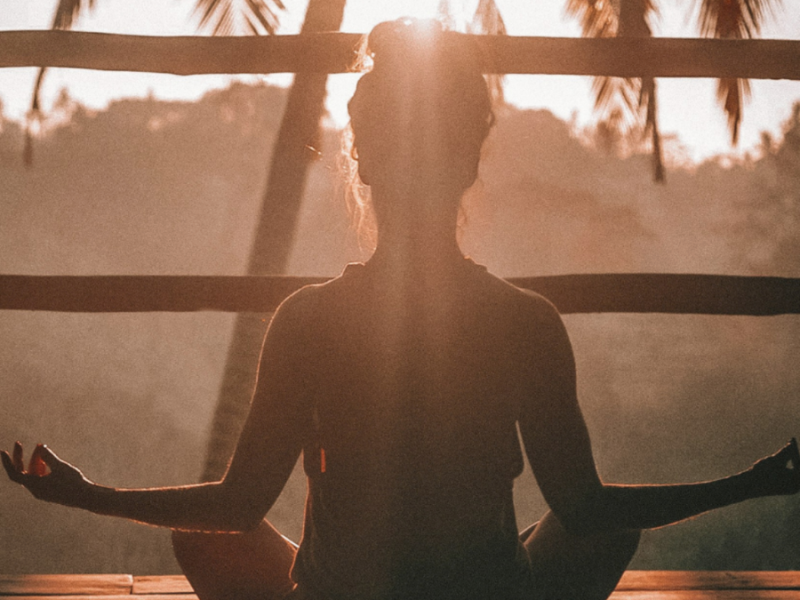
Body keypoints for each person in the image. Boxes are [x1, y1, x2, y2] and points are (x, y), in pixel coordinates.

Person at [3, 18, 800, 600]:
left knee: (204, 537)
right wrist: (750, 483)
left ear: (364, 162)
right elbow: (586, 510)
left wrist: (87, 494)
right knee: (610, 523)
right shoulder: (526, 322)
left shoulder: (308, 320)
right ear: (470, 162)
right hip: (487, 598)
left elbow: (237, 505)